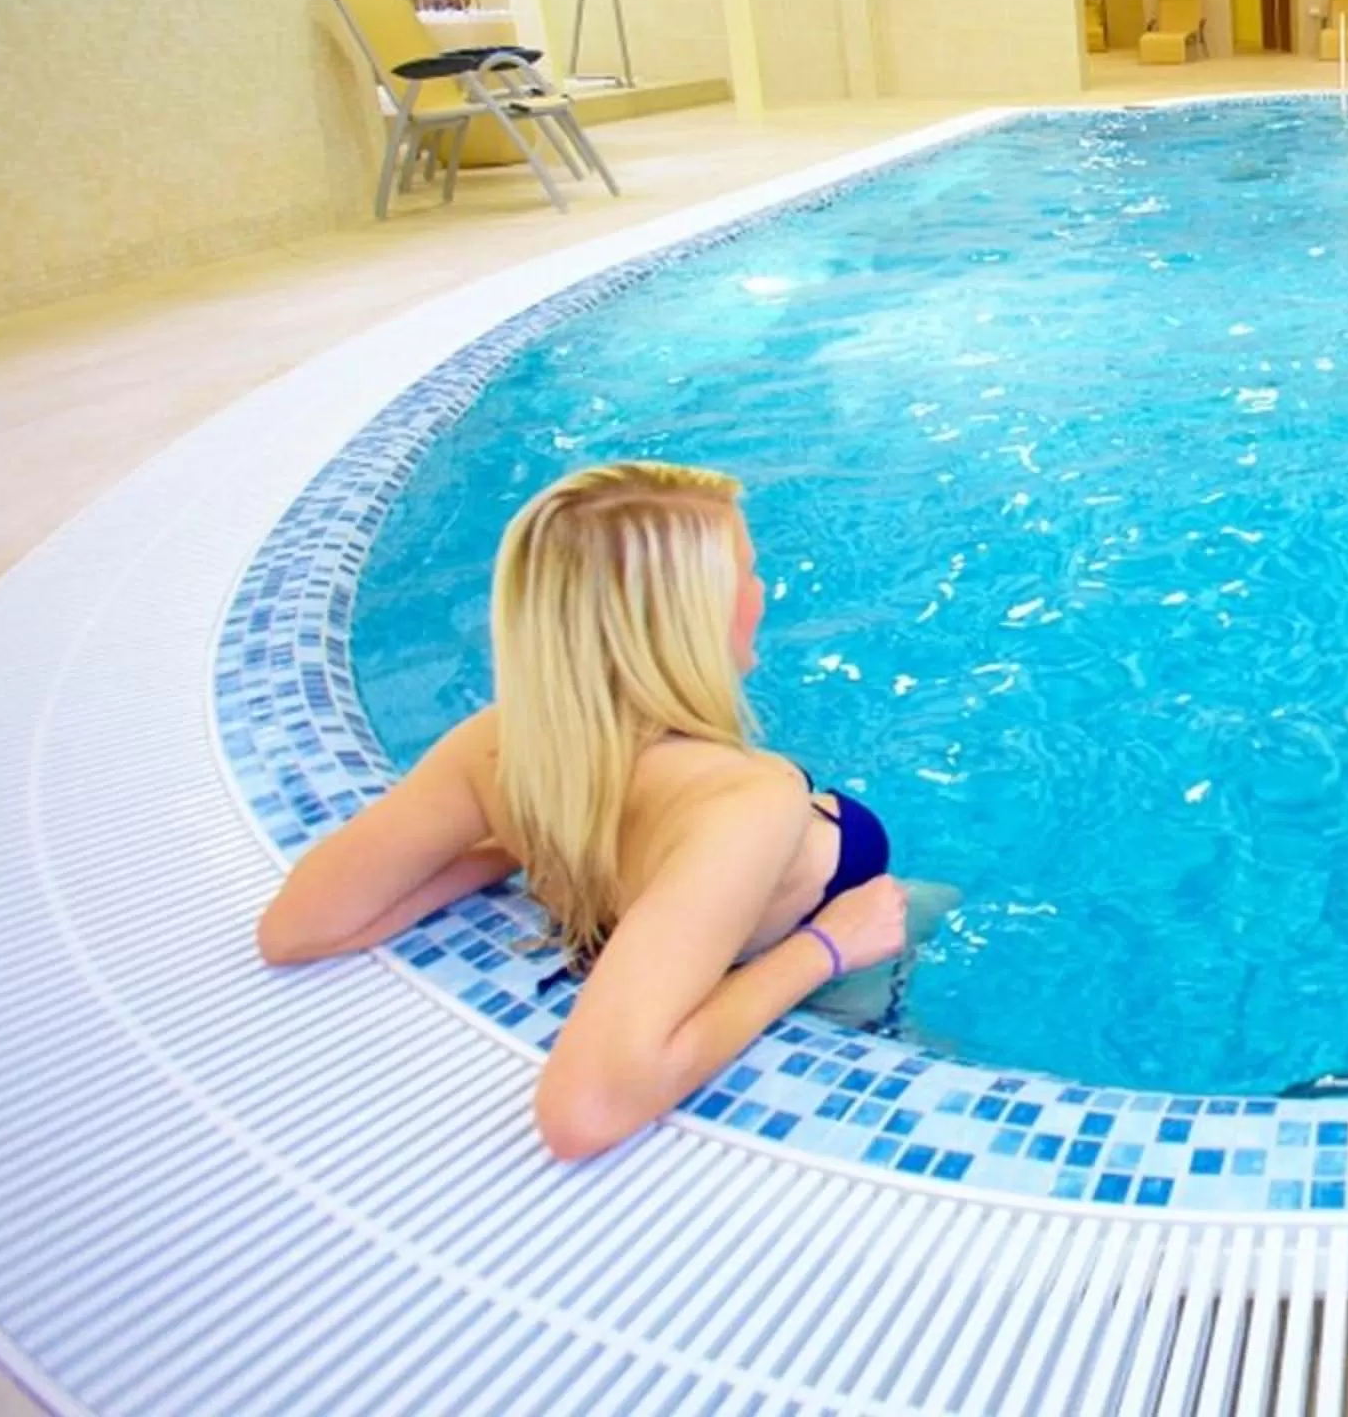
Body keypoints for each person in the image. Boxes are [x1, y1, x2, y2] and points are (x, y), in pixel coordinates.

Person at [255, 461, 913, 1162]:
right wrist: (826, 949)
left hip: (669, 947)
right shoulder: (742, 800)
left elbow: (299, 927)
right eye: (746, 574)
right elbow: (585, 1115)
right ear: (686, 618)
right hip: (824, 990)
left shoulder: (504, 745)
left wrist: (524, 842)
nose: (762, 592)